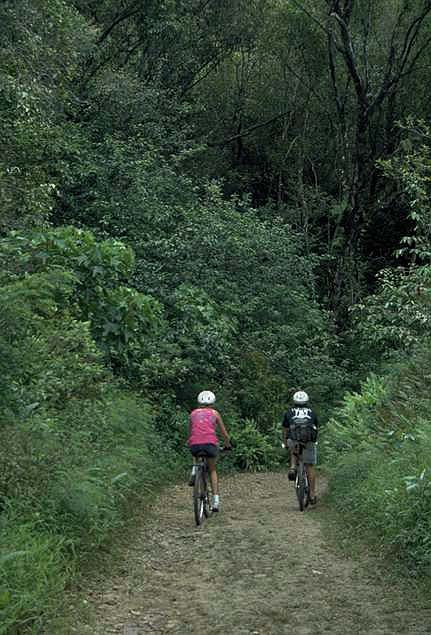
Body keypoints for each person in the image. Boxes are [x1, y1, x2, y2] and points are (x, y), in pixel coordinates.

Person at [188, 390, 231, 512]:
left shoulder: (193, 414)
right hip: (210, 445)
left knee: (195, 447)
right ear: (212, 402)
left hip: (195, 445)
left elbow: (191, 432)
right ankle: (216, 501)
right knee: (212, 470)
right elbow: (224, 434)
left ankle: (194, 470)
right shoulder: (215, 413)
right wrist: (227, 444)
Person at [282, 390, 318, 505]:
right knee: (310, 465)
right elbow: (316, 428)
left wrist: (285, 443)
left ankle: (292, 467)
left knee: (292, 447)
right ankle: (312, 495)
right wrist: (314, 441)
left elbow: (285, 430)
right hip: (308, 440)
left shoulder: (289, 412)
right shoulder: (312, 412)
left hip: (294, 439)